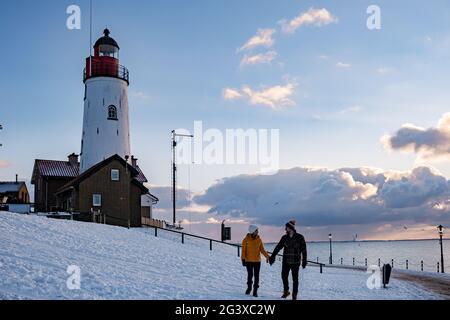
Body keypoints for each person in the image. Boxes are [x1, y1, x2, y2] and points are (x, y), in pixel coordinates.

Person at [269, 220, 307, 300]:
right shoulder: (284, 238)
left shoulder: (300, 237)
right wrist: (273, 256)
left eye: (286, 227)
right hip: (286, 261)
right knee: (284, 276)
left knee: (295, 279)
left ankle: (294, 295)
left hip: (295, 262)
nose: (285, 229)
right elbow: (278, 247)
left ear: (290, 228)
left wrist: (304, 260)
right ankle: (286, 291)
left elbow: (304, 250)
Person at [241, 225, 270, 297]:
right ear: (252, 231)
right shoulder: (245, 240)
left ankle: (255, 291)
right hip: (248, 261)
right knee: (250, 275)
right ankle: (249, 288)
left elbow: (262, 250)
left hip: (257, 261)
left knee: (257, 276)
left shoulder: (259, 240)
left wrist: (268, 257)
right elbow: (243, 251)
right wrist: (243, 259)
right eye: (256, 230)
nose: (258, 231)